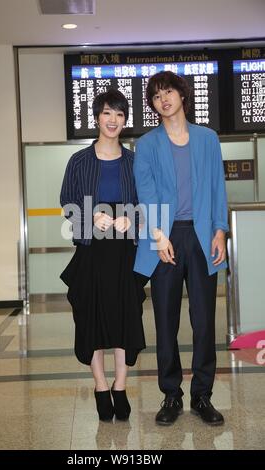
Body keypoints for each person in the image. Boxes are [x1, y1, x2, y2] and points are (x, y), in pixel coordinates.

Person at [133, 71, 228, 426]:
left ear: (182, 95)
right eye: (156, 96)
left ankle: (202, 396)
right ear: (154, 105)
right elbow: (147, 193)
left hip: (202, 238)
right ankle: (171, 395)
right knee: (166, 321)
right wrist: (158, 236)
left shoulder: (208, 139)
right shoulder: (147, 145)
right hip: (165, 240)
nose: (163, 100)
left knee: (204, 323)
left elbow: (218, 186)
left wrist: (220, 230)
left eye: (168, 92)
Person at [60, 88, 146, 422]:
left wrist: (132, 217)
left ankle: (120, 384)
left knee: (125, 314)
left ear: (125, 121)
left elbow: (146, 203)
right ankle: (99, 385)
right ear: (97, 117)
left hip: (124, 251)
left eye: (120, 114)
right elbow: (67, 203)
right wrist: (89, 215)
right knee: (91, 317)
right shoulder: (79, 161)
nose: (113, 120)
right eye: (107, 113)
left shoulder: (134, 162)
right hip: (92, 250)